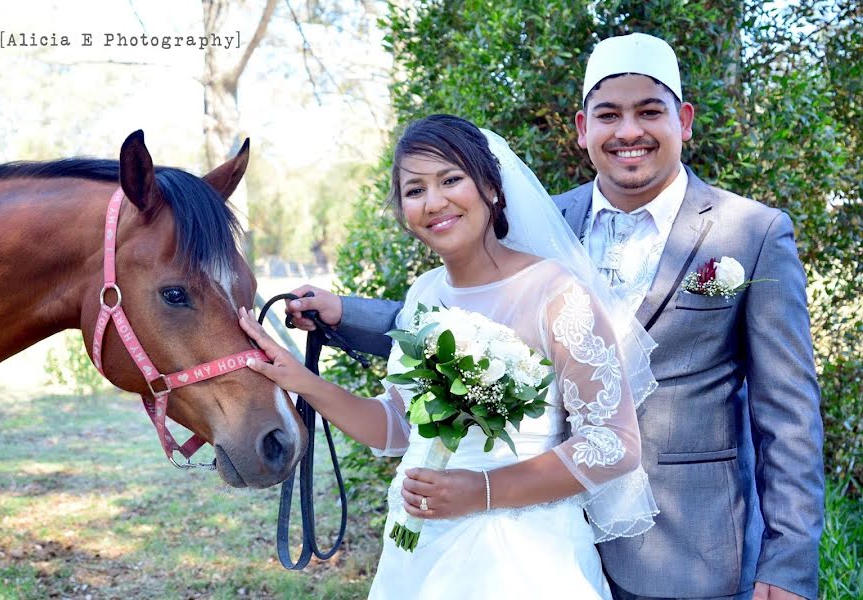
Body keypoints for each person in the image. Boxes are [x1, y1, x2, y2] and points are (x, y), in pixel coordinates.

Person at [284, 34, 824, 600]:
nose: (628, 132)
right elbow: (474, 321)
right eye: (608, 115)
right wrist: (343, 313)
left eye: (649, 112)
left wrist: (787, 565)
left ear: (683, 121)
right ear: (581, 128)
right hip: (541, 538)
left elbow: (788, 413)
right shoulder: (541, 220)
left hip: (690, 547)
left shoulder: (752, 233)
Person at [240, 114, 660, 599]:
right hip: (418, 549)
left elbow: (613, 443)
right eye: (414, 190)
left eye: (451, 179)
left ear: (492, 188)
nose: (433, 202)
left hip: (523, 556)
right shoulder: (424, 294)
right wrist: (302, 382)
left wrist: (482, 491)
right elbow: (397, 428)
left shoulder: (556, 293)